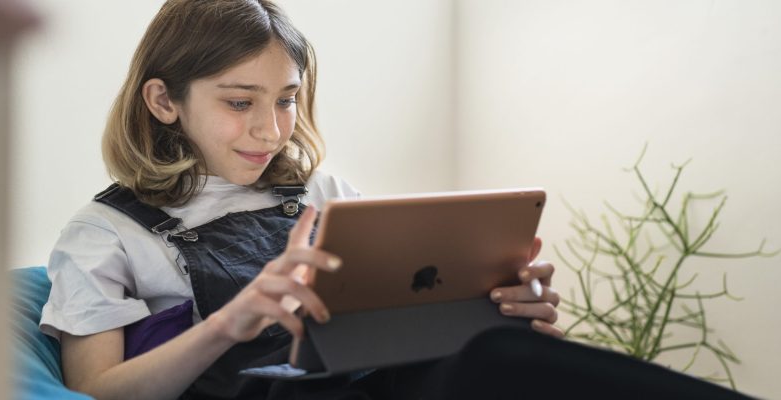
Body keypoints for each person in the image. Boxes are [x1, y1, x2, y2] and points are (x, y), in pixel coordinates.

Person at [39, 1, 564, 399]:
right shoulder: (105, 235)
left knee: (520, 356)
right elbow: (94, 392)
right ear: (163, 101)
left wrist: (490, 306)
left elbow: (397, 329)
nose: (271, 132)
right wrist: (224, 325)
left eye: (286, 100)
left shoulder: (326, 194)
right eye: (240, 102)